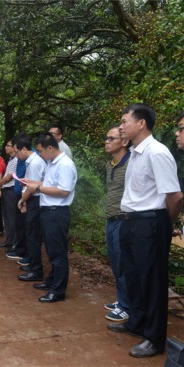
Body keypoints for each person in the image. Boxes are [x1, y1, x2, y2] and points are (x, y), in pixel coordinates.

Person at [107, 104, 182, 358]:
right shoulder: (136, 153)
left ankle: (154, 338)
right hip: (130, 221)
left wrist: (165, 225)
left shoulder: (157, 152)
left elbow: (174, 195)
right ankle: (137, 322)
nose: (120, 126)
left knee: (152, 282)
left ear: (141, 124)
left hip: (150, 222)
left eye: (124, 121)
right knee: (134, 277)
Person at [23, 133, 77, 303]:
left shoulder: (65, 165)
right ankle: (52, 280)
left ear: (50, 148)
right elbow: (50, 185)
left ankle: (58, 290)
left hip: (57, 212)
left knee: (57, 253)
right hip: (48, 211)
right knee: (51, 250)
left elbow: (63, 190)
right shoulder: (51, 163)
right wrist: (34, 183)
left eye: (40, 151)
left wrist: (37, 188)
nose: (39, 155)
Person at [103, 126, 131, 322]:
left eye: (111, 138)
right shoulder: (109, 164)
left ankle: (127, 306)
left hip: (125, 220)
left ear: (124, 142)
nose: (106, 141)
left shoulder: (132, 163)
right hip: (111, 219)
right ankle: (122, 300)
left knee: (124, 265)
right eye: (106, 138)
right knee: (115, 263)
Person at [12, 135, 46, 280]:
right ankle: (32, 264)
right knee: (30, 235)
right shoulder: (30, 161)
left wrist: (21, 201)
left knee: (33, 236)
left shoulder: (34, 163)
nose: (16, 155)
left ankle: (36, 270)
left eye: (17, 152)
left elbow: (33, 188)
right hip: (32, 200)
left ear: (24, 149)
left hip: (36, 201)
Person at [0, 138, 18, 249]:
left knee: (11, 217)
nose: (6, 147)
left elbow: (8, 177)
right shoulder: (11, 159)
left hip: (11, 191)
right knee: (7, 218)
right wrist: (0, 187)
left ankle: (13, 242)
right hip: (6, 190)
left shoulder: (16, 160)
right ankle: (9, 240)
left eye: (8, 145)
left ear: (14, 147)